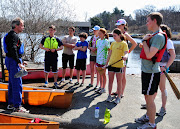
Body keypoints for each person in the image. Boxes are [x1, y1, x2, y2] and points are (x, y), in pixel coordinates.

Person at [135, 12, 167, 129]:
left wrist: (144, 41)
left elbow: (149, 55)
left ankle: (152, 124)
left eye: (148, 20)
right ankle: (149, 117)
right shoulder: (154, 35)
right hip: (147, 71)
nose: (146, 23)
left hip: (151, 72)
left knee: (149, 98)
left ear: (154, 21)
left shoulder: (158, 36)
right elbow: (149, 51)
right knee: (147, 97)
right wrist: (144, 43)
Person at [4, 18, 29, 113]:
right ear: (16, 26)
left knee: (11, 82)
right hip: (13, 61)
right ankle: (17, 106)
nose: (23, 27)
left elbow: (13, 50)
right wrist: (19, 62)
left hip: (10, 60)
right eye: (22, 25)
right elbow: (13, 49)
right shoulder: (14, 36)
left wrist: (20, 61)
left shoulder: (11, 35)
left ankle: (11, 104)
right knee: (17, 83)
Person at [112, 19, 137, 98]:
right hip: (117, 57)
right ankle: (117, 91)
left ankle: (122, 92)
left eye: (119, 25)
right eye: (117, 25)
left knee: (122, 75)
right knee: (118, 74)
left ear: (123, 25)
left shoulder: (125, 34)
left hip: (123, 58)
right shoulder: (117, 34)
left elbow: (134, 43)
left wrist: (128, 52)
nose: (118, 26)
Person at [155, 24, 176, 116]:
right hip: (155, 67)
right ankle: (150, 104)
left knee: (162, 88)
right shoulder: (159, 40)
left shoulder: (168, 42)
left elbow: (173, 55)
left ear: (164, 32)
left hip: (163, 68)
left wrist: (166, 67)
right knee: (153, 87)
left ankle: (163, 108)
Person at [105, 28, 128, 104]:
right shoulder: (113, 43)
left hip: (119, 66)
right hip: (111, 64)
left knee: (119, 82)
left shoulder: (124, 43)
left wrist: (125, 57)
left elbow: (126, 53)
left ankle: (118, 97)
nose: (113, 37)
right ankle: (109, 95)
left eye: (115, 36)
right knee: (110, 81)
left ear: (119, 35)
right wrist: (106, 64)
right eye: (113, 36)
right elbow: (109, 54)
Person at [95, 28, 110, 94]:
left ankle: (104, 88)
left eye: (100, 33)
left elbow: (109, 50)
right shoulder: (98, 41)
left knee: (103, 74)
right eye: (99, 33)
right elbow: (97, 49)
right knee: (99, 74)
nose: (99, 34)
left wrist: (107, 61)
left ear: (104, 34)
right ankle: (100, 87)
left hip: (103, 60)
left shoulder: (106, 41)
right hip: (98, 60)